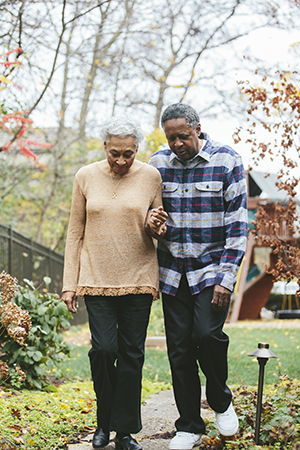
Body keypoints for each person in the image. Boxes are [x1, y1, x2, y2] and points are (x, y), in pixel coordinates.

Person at [145, 103, 248, 450]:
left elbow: (238, 227)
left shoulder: (227, 161)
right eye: (171, 137)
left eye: (183, 136)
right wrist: (151, 223)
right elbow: (147, 216)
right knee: (179, 351)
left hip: (211, 272)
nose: (177, 143)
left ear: (198, 129)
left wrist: (226, 278)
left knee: (207, 335)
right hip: (172, 272)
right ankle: (189, 425)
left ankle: (220, 400)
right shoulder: (157, 165)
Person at [62, 115, 166, 450]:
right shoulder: (85, 177)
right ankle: (103, 423)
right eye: (115, 153)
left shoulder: (151, 176)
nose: (121, 160)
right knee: (104, 350)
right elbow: (74, 233)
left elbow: (158, 226)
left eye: (128, 154)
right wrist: (69, 283)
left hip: (138, 276)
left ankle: (123, 432)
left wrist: (156, 223)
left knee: (132, 356)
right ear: (104, 147)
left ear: (137, 149)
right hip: (95, 278)